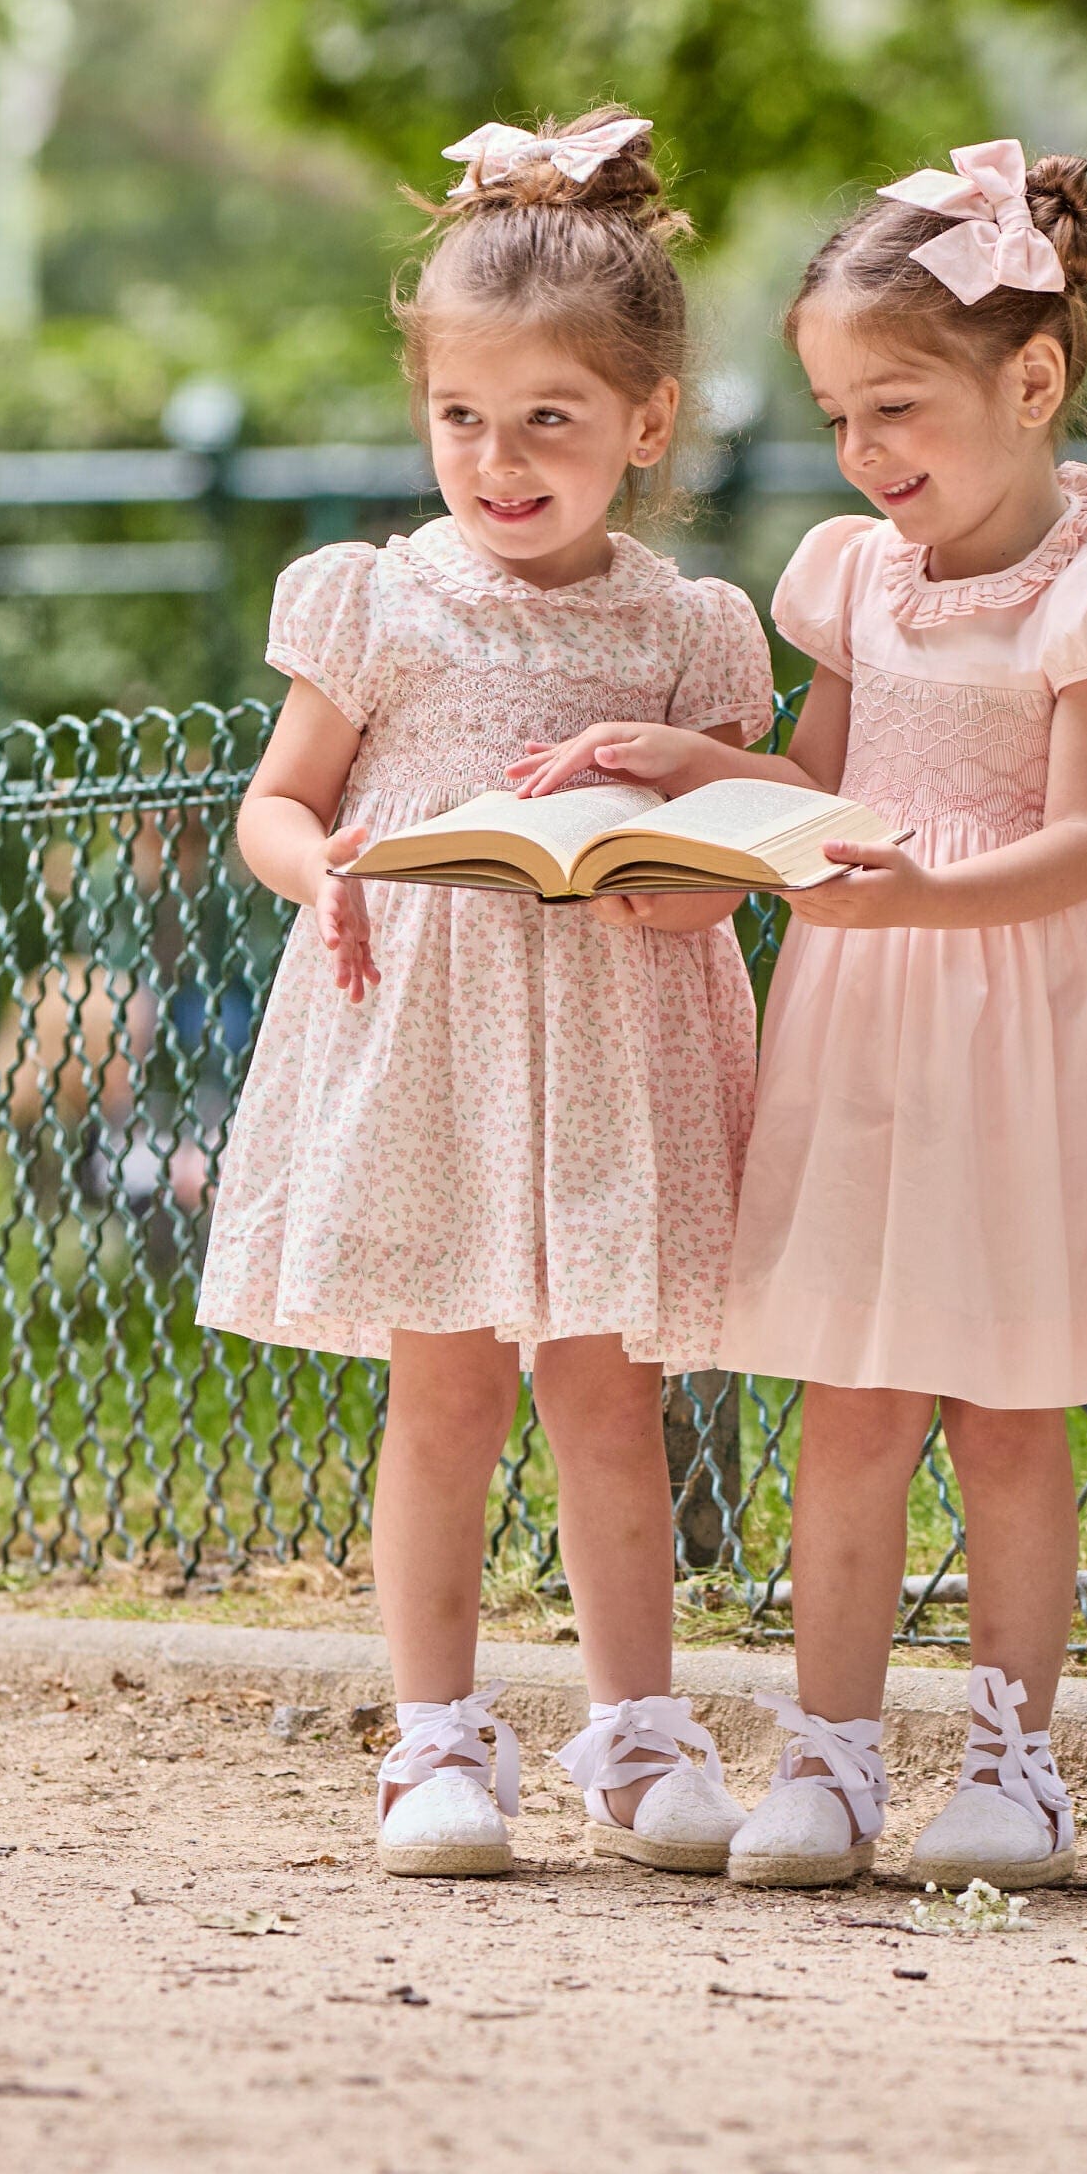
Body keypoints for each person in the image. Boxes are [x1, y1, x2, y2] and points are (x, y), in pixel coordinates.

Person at [512, 138, 1087, 1892]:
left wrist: (914, 893)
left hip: (1025, 1020)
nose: (868, 456)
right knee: (855, 1396)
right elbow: (819, 776)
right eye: (836, 418)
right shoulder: (854, 581)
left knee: (1010, 1406)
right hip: (873, 1021)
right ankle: (832, 1750)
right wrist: (696, 777)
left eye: (899, 409)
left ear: (1031, 381)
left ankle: (1015, 1764)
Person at [199, 108, 767, 1880]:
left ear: (644, 426)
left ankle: (636, 1731)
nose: (499, 463)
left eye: (550, 424)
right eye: (464, 418)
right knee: (440, 1391)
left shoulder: (689, 628)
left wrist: (688, 877)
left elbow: (743, 841)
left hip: (612, 1043)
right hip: (424, 1036)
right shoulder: (376, 601)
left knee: (610, 1393)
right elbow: (276, 811)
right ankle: (434, 1739)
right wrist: (332, 874)